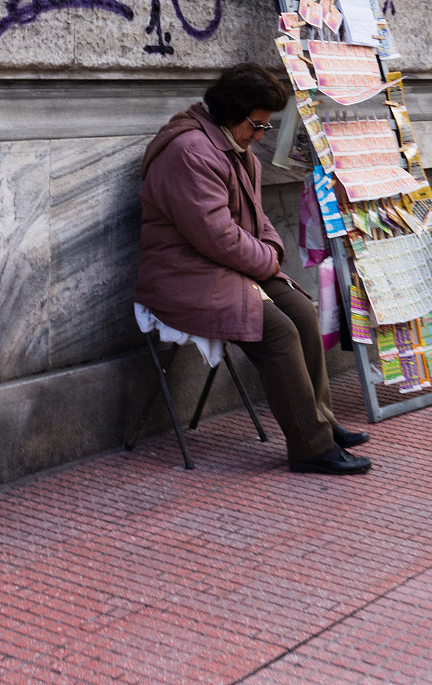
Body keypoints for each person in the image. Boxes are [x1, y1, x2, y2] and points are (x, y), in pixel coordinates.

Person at [134, 63, 372, 475]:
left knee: (301, 309)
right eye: (257, 125)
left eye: (266, 126)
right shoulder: (191, 152)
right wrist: (267, 259)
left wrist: (271, 251)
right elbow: (218, 236)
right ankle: (310, 447)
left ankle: (322, 422)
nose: (261, 135)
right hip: (183, 276)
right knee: (277, 330)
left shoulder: (234, 147)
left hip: (226, 268)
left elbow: (257, 220)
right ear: (233, 112)